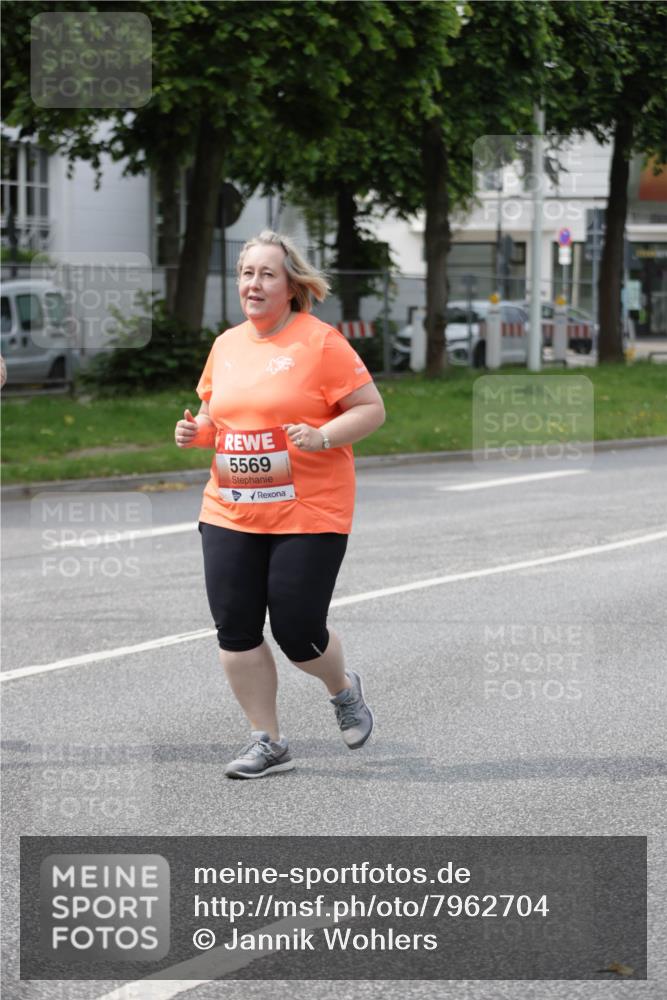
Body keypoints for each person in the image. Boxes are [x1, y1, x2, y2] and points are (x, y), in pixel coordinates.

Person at [174, 230, 385, 778]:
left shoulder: (321, 343)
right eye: (247, 273)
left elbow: (371, 409)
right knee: (235, 627)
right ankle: (266, 740)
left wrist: (323, 436)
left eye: (267, 274)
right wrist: (196, 432)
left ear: (291, 287)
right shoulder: (226, 345)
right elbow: (216, 418)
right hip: (231, 508)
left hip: (309, 510)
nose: (254, 284)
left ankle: (342, 689)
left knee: (298, 632)